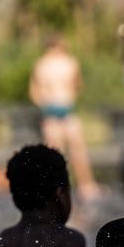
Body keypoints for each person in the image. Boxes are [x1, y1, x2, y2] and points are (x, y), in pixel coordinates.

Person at [30, 35, 100, 202]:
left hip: (60, 109)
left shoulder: (53, 63)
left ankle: (83, 185)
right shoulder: (54, 63)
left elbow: (35, 91)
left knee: (75, 150)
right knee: (60, 152)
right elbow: (76, 85)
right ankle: (72, 188)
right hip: (58, 109)